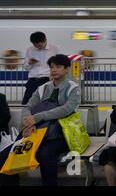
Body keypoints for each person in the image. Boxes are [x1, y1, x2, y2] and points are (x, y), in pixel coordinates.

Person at [20, 54, 80, 186]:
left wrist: (37, 117)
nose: (54, 70)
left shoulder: (73, 88)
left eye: (58, 67)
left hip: (62, 134)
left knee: (45, 153)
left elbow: (66, 109)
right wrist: (28, 124)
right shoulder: (43, 88)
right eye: (52, 67)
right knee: (10, 152)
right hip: (38, 131)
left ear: (67, 69)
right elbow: (27, 107)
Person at [22, 32, 59, 104]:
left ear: (45, 40)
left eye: (39, 45)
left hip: (47, 79)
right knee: (26, 103)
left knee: (46, 103)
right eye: (35, 45)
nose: (38, 47)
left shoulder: (54, 49)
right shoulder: (30, 50)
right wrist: (29, 63)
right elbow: (25, 67)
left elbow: (59, 64)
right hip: (33, 80)